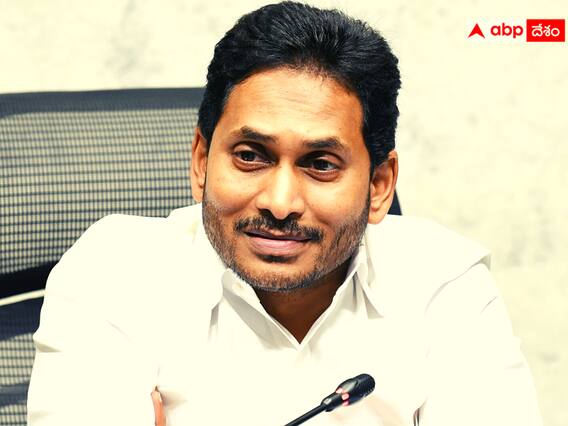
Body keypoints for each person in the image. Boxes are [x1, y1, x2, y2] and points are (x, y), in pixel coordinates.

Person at [27, 2, 542, 425]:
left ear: (379, 185)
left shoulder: (444, 282)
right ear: (202, 161)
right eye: (250, 155)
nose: (278, 202)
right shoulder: (113, 272)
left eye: (320, 164)